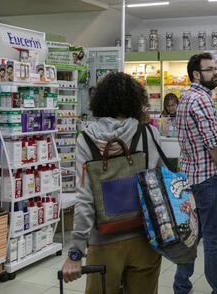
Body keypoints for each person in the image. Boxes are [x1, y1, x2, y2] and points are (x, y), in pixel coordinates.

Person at [62, 72, 162, 294]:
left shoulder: (87, 139)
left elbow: (85, 198)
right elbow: (158, 185)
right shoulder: (149, 133)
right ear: (136, 100)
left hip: (104, 240)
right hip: (145, 238)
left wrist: (76, 251)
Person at [175, 52, 217, 294]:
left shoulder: (186, 98)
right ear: (197, 74)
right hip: (210, 179)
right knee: (215, 241)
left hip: (191, 178)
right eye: (210, 69)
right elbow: (213, 143)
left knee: (191, 237)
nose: (215, 73)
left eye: (215, 69)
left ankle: (181, 286)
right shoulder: (201, 100)